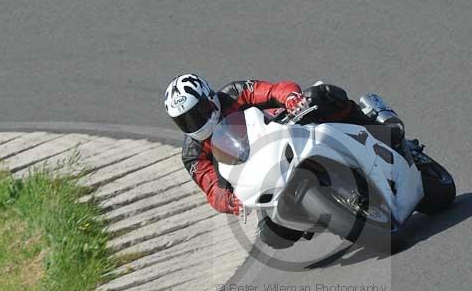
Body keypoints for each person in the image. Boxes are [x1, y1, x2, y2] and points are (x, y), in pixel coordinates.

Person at [163, 73, 404, 248]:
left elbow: (273, 90)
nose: (195, 123)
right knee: (271, 236)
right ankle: (325, 214)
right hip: (259, 175)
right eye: (185, 121)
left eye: (197, 113)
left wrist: (291, 99)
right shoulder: (193, 153)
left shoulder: (234, 93)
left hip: (285, 131)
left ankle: (376, 123)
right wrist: (231, 201)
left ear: (210, 99)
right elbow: (212, 189)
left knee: (322, 95)